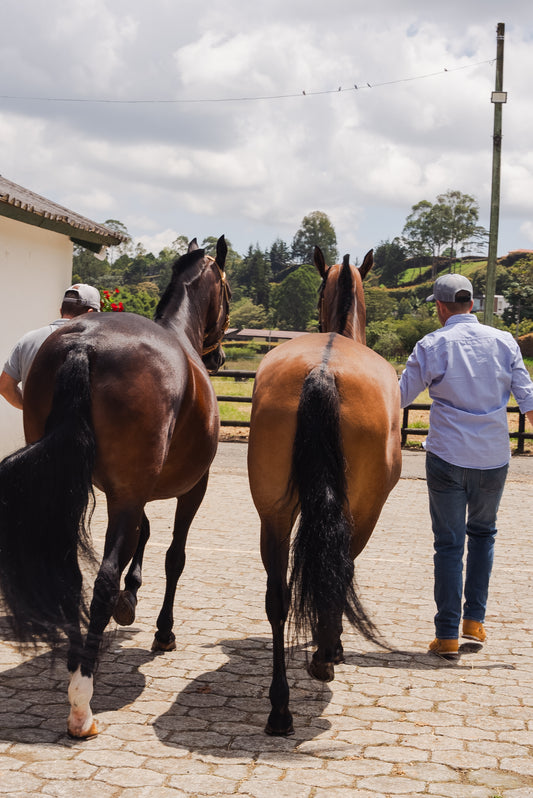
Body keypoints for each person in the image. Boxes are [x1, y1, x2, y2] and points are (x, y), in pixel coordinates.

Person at [399, 273, 533, 658]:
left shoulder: (432, 344)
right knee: (483, 534)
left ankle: (446, 637)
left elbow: (400, 398)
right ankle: (474, 621)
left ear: (441, 307)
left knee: (448, 544)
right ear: (471, 304)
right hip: (493, 458)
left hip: (447, 457)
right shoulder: (505, 341)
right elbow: (527, 398)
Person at [0, 283, 101, 410]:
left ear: (61, 310)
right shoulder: (99, 343)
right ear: (90, 313)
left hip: (37, 428)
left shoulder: (27, 340)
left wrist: (29, 409)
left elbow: (5, 386)